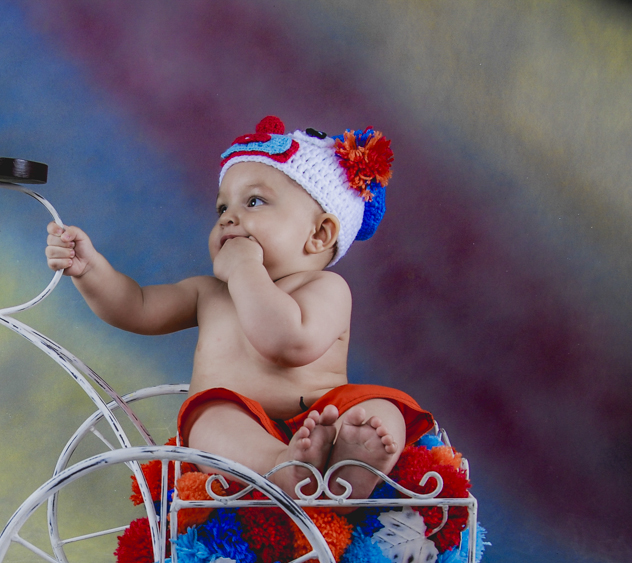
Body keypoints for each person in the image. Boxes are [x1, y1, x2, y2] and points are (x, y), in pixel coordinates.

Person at [45, 116, 433, 499]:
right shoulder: (208, 292)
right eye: (222, 208)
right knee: (208, 419)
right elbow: (135, 306)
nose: (229, 217)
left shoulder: (325, 288)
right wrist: (90, 270)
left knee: (383, 409)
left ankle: (351, 464)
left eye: (254, 201)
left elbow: (287, 342)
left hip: (323, 420)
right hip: (241, 436)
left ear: (319, 234)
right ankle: (282, 468)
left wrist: (246, 269)